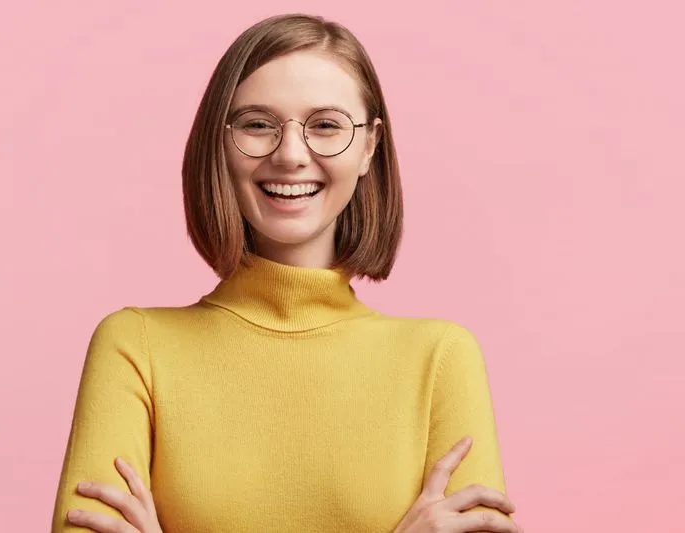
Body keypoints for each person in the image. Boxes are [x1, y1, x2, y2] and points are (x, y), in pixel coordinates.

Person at [50, 13, 522, 533]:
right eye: (257, 124)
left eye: (325, 125)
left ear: (369, 146)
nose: (291, 154)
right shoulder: (136, 346)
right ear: (219, 142)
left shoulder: (440, 361)